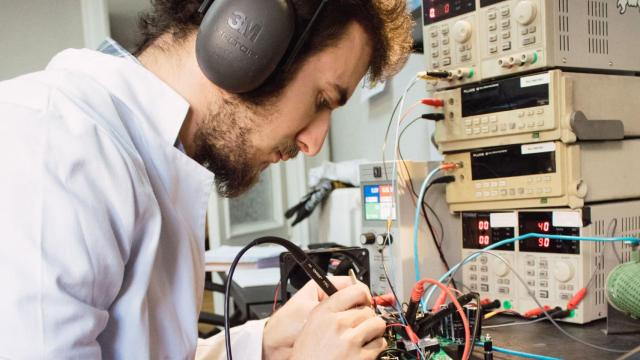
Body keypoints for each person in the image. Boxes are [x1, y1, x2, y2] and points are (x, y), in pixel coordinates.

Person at [0, 0, 412, 358]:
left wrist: (265, 345)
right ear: (248, 35)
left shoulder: (155, 161)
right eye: (322, 99)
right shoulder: (55, 143)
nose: (314, 143)